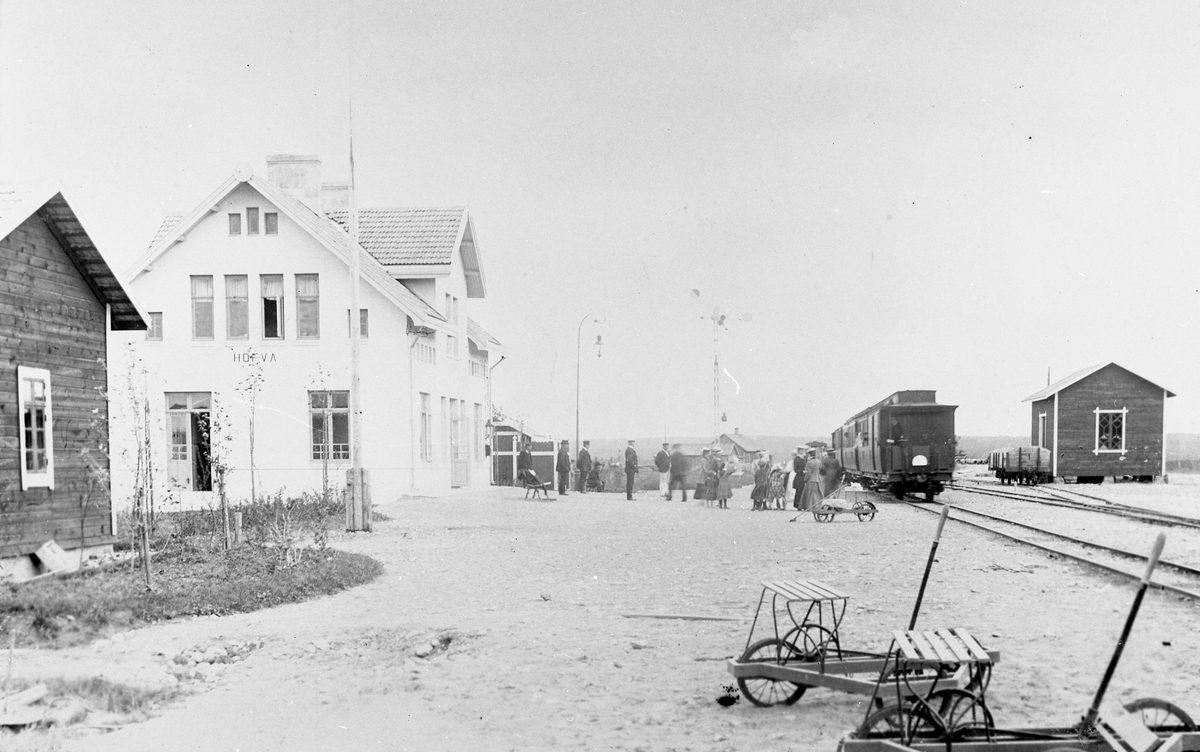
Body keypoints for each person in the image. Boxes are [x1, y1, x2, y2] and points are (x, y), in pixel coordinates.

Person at [792, 446, 805, 510]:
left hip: (803, 476)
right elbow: (796, 469)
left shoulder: (804, 458)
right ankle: (798, 504)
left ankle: (801, 504)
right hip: (799, 477)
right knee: (799, 491)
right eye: (801, 450)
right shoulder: (796, 459)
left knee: (802, 491)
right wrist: (802, 471)